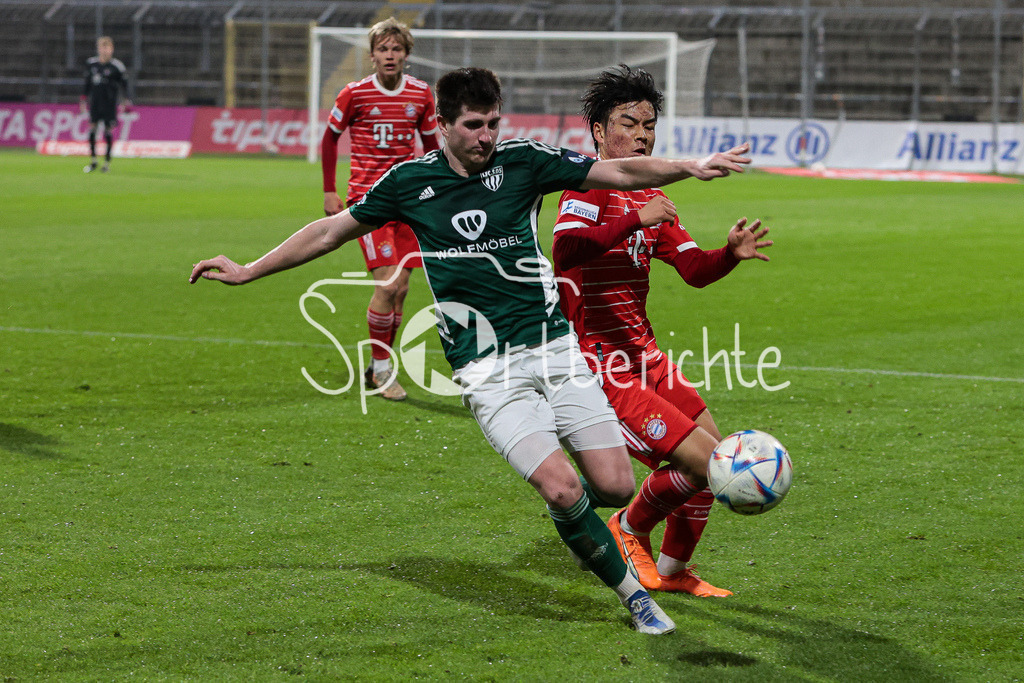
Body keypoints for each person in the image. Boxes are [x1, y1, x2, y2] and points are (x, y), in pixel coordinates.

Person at [191, 67, 751, 635]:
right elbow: (329, 231)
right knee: (562, 487)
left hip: (557, 350)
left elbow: (621, 170)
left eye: (493, 123)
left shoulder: (524, 161)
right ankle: (636, 598)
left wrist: (690, 167)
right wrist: (251, 270)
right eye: (473, 126)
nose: (486, 137)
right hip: (488, 367)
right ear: (442, 126)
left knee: (615, 486)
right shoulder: (410, 182)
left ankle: (603, 532)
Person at [551, 65, 772, 597]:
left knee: (716, 454)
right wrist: (635, 220)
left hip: (645, 357)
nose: (643, 135)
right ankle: (627, 528)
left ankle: (672, 573)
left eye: (649, 125)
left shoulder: (652, 196)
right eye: (629, 123)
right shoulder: (587, 184)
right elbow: (566, 250)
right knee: (708, 466)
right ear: (600, 131)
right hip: (601, 364)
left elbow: (694, 269)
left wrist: (730, 255)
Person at [321, 17, 441, 401]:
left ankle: (378, 363)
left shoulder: (421, 94)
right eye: (383, 49)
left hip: (409, 204)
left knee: (401, 290)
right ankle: (383, 371)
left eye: (397, 49)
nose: (390, 55)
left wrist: (440, 192)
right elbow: (328, 140)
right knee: (389, 285)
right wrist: (329, 191)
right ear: (372, 55)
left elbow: (432, 147)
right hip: (367, 203)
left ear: (406, 55)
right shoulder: (354, 94)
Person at [81, 36, 131, 174]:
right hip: (95, 103)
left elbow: (124, 85)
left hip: (109, 104)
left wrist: (125, 100)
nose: (104, 50)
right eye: (102, 47)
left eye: (107, 47)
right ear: (98, 49)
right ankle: (93, 160)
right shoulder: (91, 64)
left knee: (108, 131)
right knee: (92, 129)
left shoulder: (117, 67)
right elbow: (87, 84)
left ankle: (106, 162)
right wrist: (83, 99)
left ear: (112, 49)